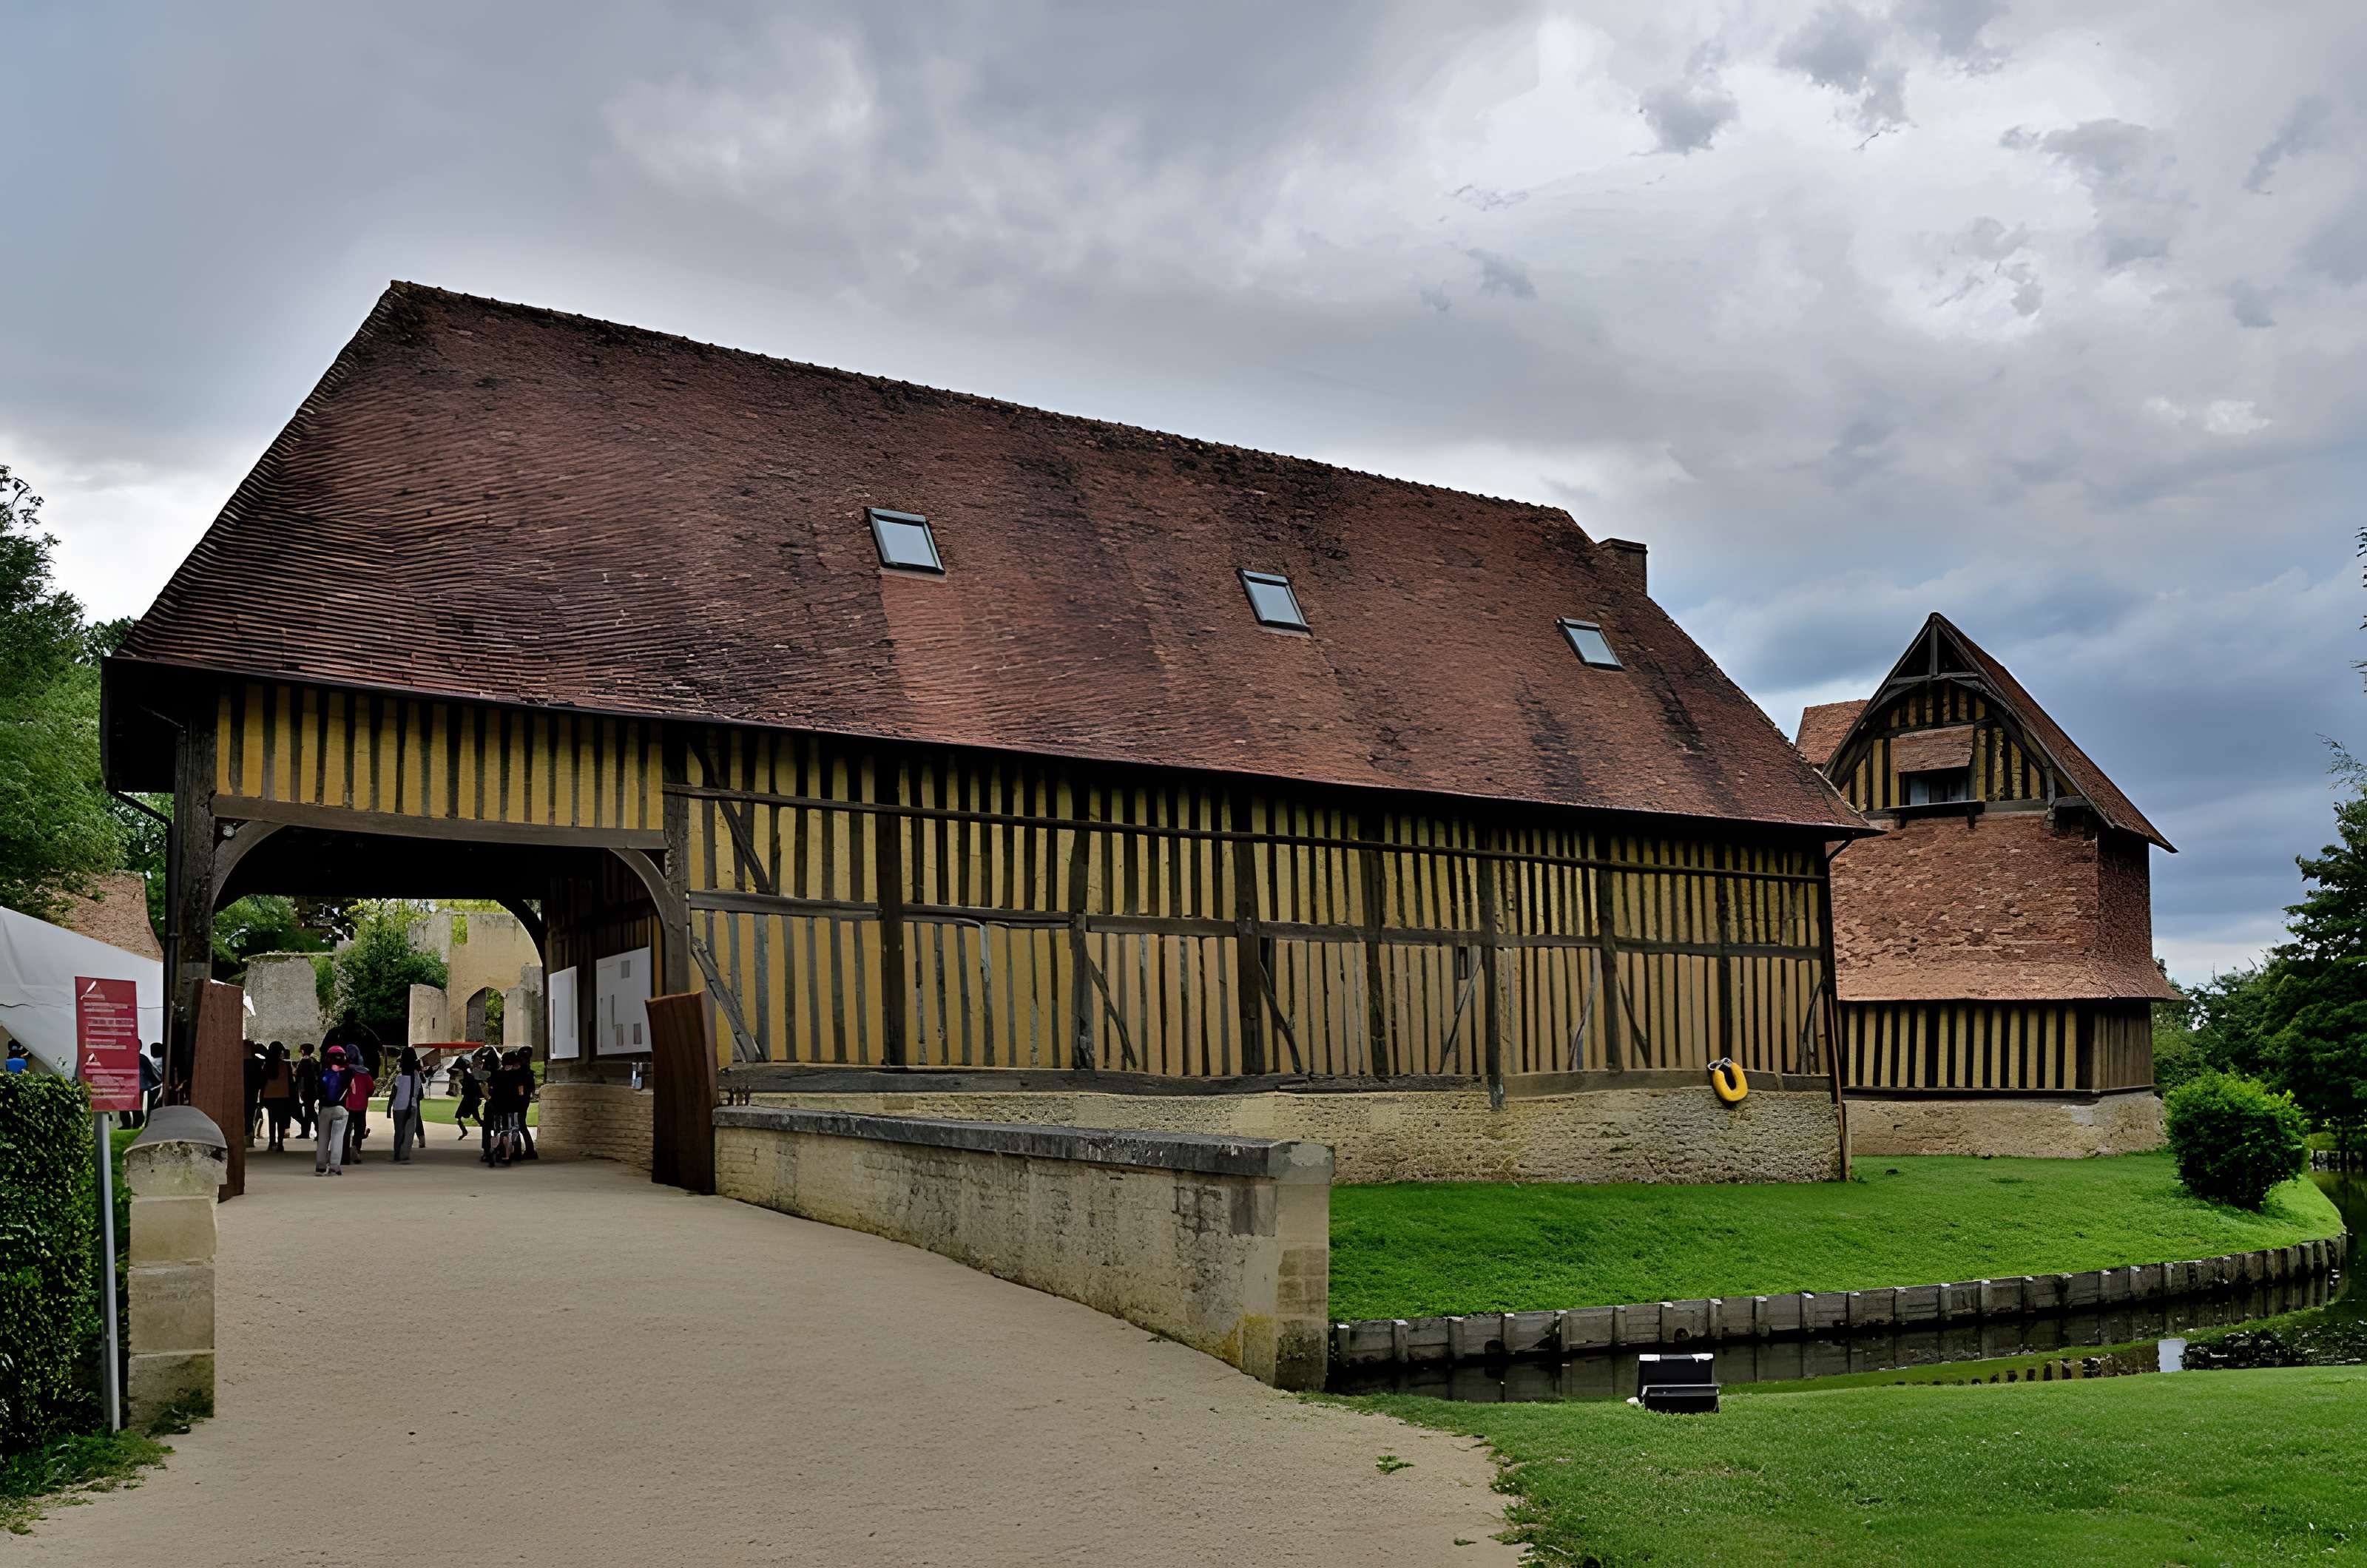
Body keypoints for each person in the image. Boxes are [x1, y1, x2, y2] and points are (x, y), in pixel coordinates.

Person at [314, 1045, 353, 1176]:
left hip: (325, 1109)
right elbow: (353, 1090)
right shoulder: (348, 1073)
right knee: (338, 1138)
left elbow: (319, 1091)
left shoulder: (323, 1073)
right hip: (341, 1109)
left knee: (323, 1138)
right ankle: (334, 1166)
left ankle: (320, 1166)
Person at [388, 1048, 426, 1164]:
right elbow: (420, 1094)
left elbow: (394, 1093)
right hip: (412, 1106)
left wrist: (389, 1108)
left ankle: (397, 1153)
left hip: (399, 1107)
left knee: (399, 1131)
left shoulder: (399, 1077)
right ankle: (404, 1153)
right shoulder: (417, 1076)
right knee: (409, 1132)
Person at [342, 1050, 377, 1166]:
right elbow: (371, 1089)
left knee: (346, 1131)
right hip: (361, 1105)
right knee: (359, 1129)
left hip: (347, 1105)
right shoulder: (364, 1074)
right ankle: (356, 1150)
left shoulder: (344, 1072)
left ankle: (344, 1155)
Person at [260, 1043, 296, 1152]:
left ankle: (271, 1143)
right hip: (283, 1096)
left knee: (272, 1119)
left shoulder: (267, 1065)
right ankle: (280, 1144)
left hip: (269, 1096)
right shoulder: (286, 1065)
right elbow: (291, 1082)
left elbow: (262, 1082)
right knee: (281, 1120)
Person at [294, 1043, 320, 1138]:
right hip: (314, 1089)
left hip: (306, 1089)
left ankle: (314, 1131)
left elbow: (299, 1076)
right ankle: (306, 1131)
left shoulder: (304, 1061)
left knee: (310, 1112)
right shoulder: (315, 1061)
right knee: (309, 1111)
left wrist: (297, 1086)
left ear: (303, 1051)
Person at [451, 1059, 482, 1140]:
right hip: (469, 1100)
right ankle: (464, 1131)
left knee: (476, 1118)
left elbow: (469, 1090)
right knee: (459, 1116)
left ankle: (488, 1130)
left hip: (470, 1100)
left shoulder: (468, 1077)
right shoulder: (466, 1077)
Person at [243, 1045, 267, 1146]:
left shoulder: (237, 1061)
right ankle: (248, 1138)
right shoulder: (257, 1062)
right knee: (249, 1116)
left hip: (243, 1092)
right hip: (252, 1092)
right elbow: (262, 1080)